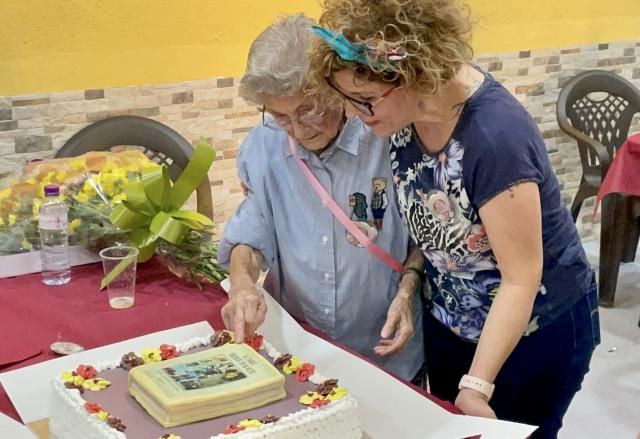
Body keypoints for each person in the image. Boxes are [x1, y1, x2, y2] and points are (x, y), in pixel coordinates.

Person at [308, 1, 600, 437]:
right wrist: (409, 289)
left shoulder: (495, 137)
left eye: (363, 101)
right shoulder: (404, 118)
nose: (353, 114)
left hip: (534, 332)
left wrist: (478, 385)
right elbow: (434, 230)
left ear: (415, 76)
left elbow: (522, 277)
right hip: (452, 322)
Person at [217, 14, 425, 382]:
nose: (296, 129)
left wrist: (408, 289)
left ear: (337, 89)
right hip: (300, 354)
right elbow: (250, 233)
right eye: (281, 116)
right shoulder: (264, 145)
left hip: (386, 353)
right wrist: (242, 284)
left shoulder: (389, 135)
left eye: (308, 110)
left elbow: (430, 235)